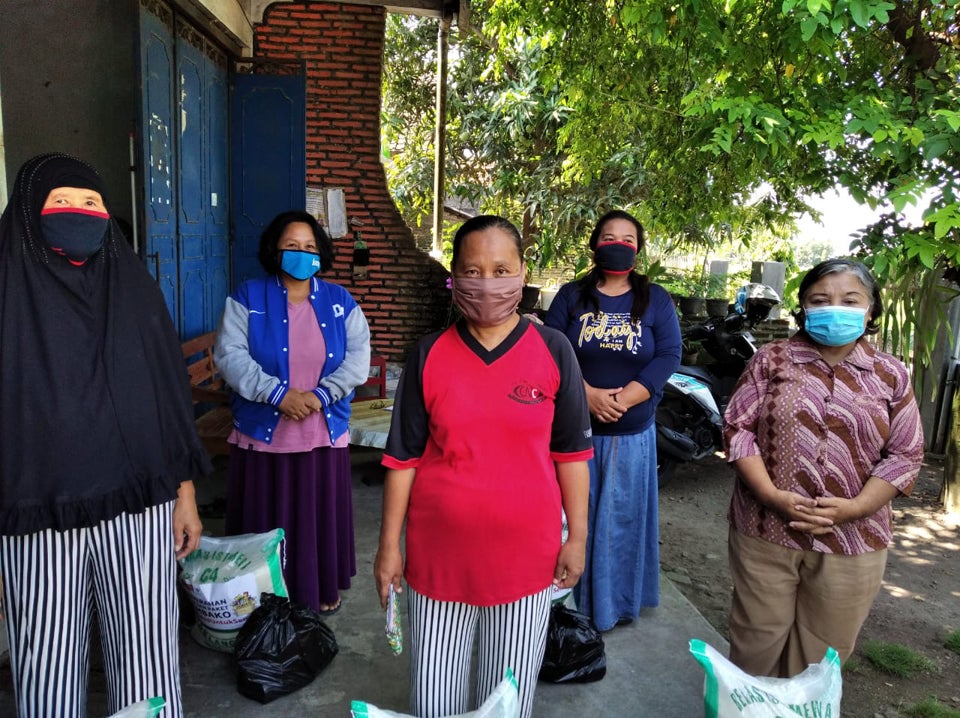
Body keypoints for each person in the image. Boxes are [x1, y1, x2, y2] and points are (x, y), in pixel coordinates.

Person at [0, 153, 209, 716]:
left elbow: (168, 398)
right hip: (36, 515)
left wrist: (184, 492)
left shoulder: (133, 290)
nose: (79, 214)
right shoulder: (5, 296)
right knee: (46, 665)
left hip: (139, 505)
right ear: (26, 213)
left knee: (148, 658)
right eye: (62, 203)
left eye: (92, 203)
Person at [374, 215, 593, 718]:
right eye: (473, 270)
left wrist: (576, 538)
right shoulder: (429, 354)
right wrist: (389, 548)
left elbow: (573, 457)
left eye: (501, 269)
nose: (488, 284)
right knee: (433, 701)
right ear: (454, 276)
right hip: (437, 561)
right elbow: (402, 460)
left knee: (507, 702)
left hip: (527, 560)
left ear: (522, 273)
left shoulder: (553, 350)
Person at [723, 258, 925, 678]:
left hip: (853, 539)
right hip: (765, 530)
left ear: (870, 310)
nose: (835, 307)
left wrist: (854, 508)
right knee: (753, 646)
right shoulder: (771, 359)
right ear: (803, 308)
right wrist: (770, 495)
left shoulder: (890, 375)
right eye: (820, 299)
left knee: (821, 659)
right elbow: (737, 430)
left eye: (850, 300)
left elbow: (905, 453)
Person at [215, 210, 370, 614]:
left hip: (321, 429)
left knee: (316, 516)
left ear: (321, 254)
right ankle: (263, 597)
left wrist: (320, 396)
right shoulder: (247, 297)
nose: (301, 254)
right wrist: (277, 394)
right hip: (265, 430)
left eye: (310, 247)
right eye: (291, 246)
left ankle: (318, 586)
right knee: (268, 517)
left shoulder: (341, 302)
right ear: (274, 250)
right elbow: (229, 356)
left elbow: (357, 359)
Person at [544, 209, 682, 632]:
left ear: (638, 251)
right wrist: (584, 395)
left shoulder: (655, 299)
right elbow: (550, 350)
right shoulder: (571, 295)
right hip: (574, 433)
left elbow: (668, 355)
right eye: (609, 237)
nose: (618, 245)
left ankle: (614, 603)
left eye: (627, 239)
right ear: (594, 244)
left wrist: (621, 400)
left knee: (619, 523)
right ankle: (560, 599)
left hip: (630, 435)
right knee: (567, 520)